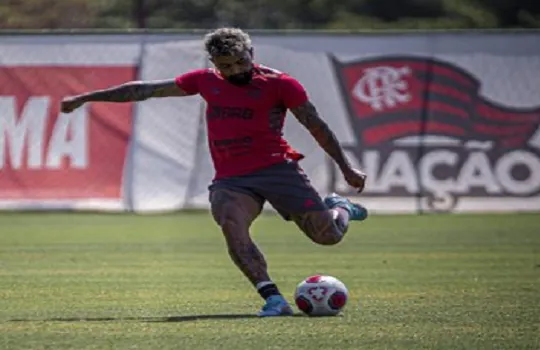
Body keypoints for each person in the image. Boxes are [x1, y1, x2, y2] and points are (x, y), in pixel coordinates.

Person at [61, 27, 368, 317]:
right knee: (230, 222)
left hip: (277, 169)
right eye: (226, 66)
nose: (235, 70)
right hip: (232, 178)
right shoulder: (205, 81)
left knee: (327, 237)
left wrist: (345, 167)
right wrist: (86, 98)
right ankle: (273, 298)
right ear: (214, 63)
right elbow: (145, 90)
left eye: (240, 62)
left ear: (251, 52)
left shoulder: (281, 84)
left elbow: (316, 125)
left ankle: (340, 208)